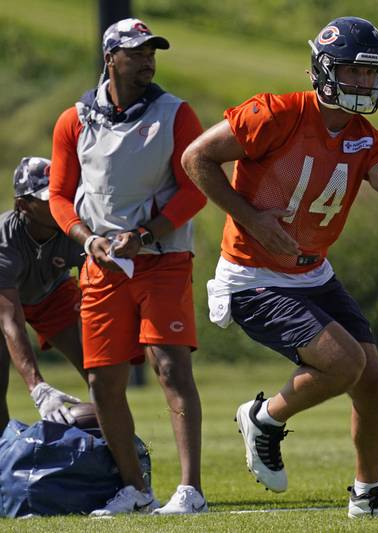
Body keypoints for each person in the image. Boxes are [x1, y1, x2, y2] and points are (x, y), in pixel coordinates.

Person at [182, 16, 378, 520]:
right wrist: (251, 219)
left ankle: (366, 496)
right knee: (348, 364)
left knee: (373, 382)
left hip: (312, 273)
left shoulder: (366, 138)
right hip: (253, 276)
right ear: (324, 71)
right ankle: (263, 417)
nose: (365, 84)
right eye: (354, 72)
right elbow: (197, 158)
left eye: (372, 74)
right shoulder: (276, 114)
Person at [49, 18, 208, 516]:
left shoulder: (176, 113)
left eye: (151, 52)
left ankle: (190, 490)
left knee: (169, 365)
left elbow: (195, 188)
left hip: (162, 259)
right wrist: (86, 238)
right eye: (136, 52)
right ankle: (136, 490)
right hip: (101, 267)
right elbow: (57, 195)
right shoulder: (73, 120)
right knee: (103, 382)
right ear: (109, 59)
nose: (147, 60)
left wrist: (146, 234)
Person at [0, 157, 87, 431]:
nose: (62, 202)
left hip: (51, 293)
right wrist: (38, 387)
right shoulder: (5, 238)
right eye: (50, 197)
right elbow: (10, 319)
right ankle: (4, 459)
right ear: (24, 205)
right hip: (4, 303)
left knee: (98, 367)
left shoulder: (76, 227)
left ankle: (117, 449)